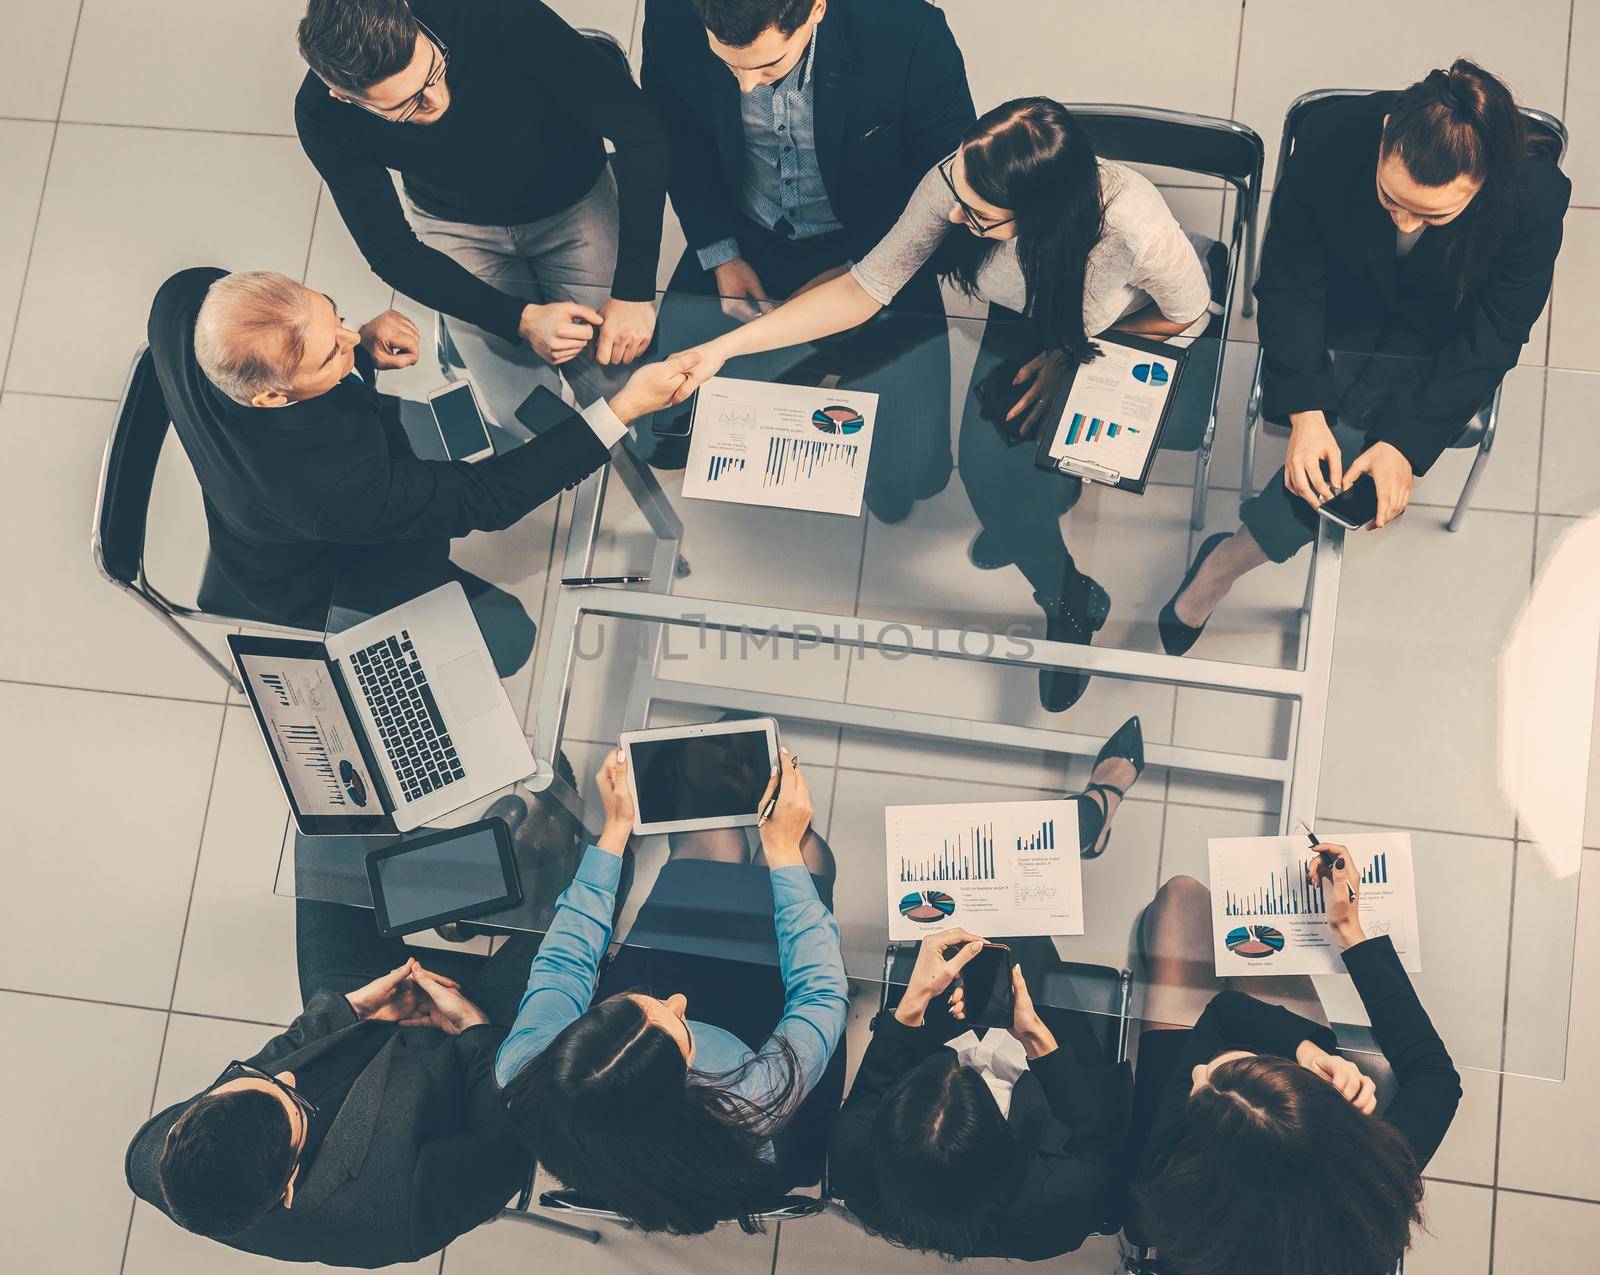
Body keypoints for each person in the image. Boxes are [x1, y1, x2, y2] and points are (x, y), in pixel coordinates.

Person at [673, 98, 1215, 708]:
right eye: (957, 189)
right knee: (997, 473)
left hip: (1097, 327)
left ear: (1040, 214)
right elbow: (864, 288)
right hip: (1026, 310)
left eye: (979, 216)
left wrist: (1072, 353)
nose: (954, 212)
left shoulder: (1135, 230)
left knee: (989, 474)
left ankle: (1065, 593)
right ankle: (1049, 553)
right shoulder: (961, 178)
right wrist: (726, 349)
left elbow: (1188, 313)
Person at [1159, 58, 1570, 656]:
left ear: (1482, 186)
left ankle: (1226, 562)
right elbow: (1288, 280)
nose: (1404, 219)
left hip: (1437, 333)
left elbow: (1496, 335)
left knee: (1351, 447)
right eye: (1390, 197)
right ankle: (1225, 562)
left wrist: (1405, 444)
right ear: (1383, 142)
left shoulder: (1534, 200)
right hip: (1339, 305)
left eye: (1433, 214)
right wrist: (1304, 414)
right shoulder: (1330, 140)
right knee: (1342, 445)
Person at [149, 267, 696, 669]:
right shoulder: (330, 493)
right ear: (270, 397)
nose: (348, 335)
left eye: (334, 315)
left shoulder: (184, 298)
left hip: (285, 485)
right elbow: (489, 499)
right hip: (325, 572)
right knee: (509, 640)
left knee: (498, 446)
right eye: (329, 354)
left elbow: (318, 352)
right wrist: (623, 409)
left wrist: (358, 348)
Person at [639, 0, 976, 522]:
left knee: (916, 475)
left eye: (768, 66)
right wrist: (721, 254)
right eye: (729, 65)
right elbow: (678, 143)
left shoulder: (909, 33)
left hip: (874, 245)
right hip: (746, 238)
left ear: (816, 8)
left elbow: (948, 185)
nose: (746, 86)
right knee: (660, 435)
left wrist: (859, 273)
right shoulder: (672, 14)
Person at [496, 746, 851, 1233]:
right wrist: (785, 854)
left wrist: (616, 831)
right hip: (755, 1038)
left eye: (643, 1005)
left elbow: (565, 961)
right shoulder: (747, 1105)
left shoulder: (527, 1065)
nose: (678, 998)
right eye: (679, 1022)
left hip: (644, 1129)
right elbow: (821, 996)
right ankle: (746, 790)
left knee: (715, 836)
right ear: (683, 1078)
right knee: (811, 855)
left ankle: (725, 790)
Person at [294, 0, 670, 426]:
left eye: (434, 69)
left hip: (573, 197)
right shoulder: (321, 116)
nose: (437, 100)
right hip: (454, 224)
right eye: (405, 106)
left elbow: (641, 131)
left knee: (623, 383)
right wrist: (521, 321)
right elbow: (391, 252)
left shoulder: (491, 11)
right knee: (523, 415)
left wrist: (635, 290)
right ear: (344, 96)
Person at [125, 899, 542, 1266]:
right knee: (575, 921)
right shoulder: (400, 1215)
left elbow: (285, 1057)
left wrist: (348, 1010)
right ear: (289, 1187)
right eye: (291, 1097)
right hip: (476, 1057)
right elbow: (509, 1140)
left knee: (329, 832)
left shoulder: (151, 1156)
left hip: (358, 1015)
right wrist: (476, 1032)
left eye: (253, 1078)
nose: (285, 1072)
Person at [1127, 861, 1462, 1274]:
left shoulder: (1168, 1182)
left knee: (1184, 897)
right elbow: (1436, 1076)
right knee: (1238, 925)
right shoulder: (1374, 1178)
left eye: (1202, 1081)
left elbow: (1222, 1017)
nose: (1198, 1071)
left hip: (1181, 1155)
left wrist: (1297, 1051)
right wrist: (1349, 935)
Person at [828, 930, 1126, 1260]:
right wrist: (1035, 1037)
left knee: (949, 946)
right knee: (1024, 945)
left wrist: (916, 998)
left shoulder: (856, 1161)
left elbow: (873, 1086)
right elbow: (1095, 1144)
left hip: (937, 1073)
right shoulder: (1054, 1202)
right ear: (1002, 1129)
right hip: (1055, 1091)